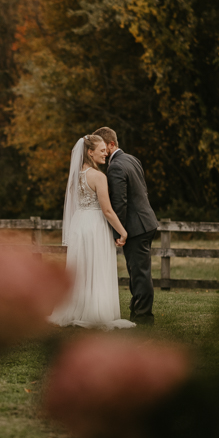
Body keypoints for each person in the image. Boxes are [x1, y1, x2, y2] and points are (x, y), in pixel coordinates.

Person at [49, 135, 136, 329]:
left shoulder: (75, 176)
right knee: (96, 266)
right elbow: (107, 210)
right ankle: (96, 312)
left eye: (106, 150)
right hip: (95, 226)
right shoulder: (98, 176)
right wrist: (123, 232)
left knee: (82, 269)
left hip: (80, 225)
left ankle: (78, 308)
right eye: (102, 150)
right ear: (90, 152)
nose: (106, 153)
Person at [93, 127, 159, 325]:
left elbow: (120, 202)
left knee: (140, 273)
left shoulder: (116, 167)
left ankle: (144, 317)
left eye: (104, 147)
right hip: (146, 222)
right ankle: (136, 310)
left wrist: (118, 232)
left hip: (135, 227)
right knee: (138, 271)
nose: (103, 152)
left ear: (112, 144)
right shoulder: (131, 159)